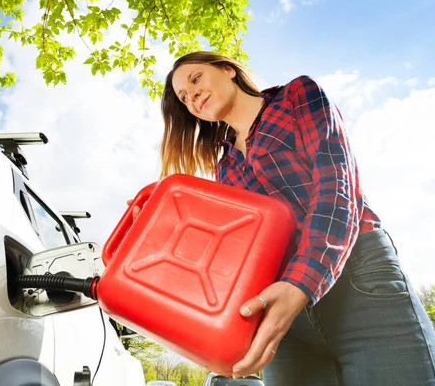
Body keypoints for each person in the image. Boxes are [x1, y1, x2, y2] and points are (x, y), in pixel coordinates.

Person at [133, 51, 435, 385]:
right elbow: (239, 250)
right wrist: (155, 231)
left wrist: (301, 284)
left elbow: (336, 186)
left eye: (195, 79)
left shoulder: (296, 97)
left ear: (228, 70)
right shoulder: (226, 166)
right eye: (184, 97)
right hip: (288, 320)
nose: (193, 96)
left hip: (359, 284)